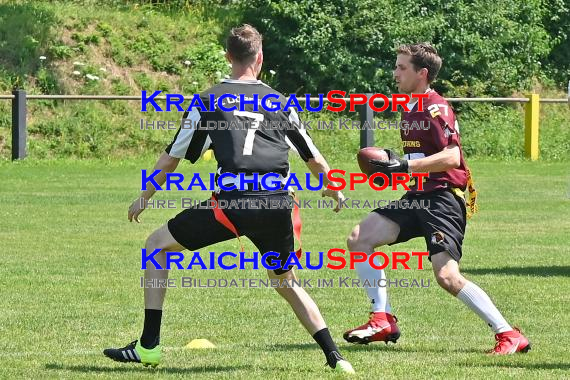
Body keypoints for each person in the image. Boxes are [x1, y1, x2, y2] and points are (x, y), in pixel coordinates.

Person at [103, 24, 354, 373]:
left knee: (156, 246)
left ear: (227, 57)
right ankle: (336, 357)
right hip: (278, 202)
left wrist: (145, 196)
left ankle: (148, 346)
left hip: (234, 204)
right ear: (260, 58)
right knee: (286, 282)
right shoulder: (281, 102)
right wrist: (332, 185)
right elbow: (312, 155)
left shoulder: (208, 100)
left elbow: (171, 158)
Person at [343, 43, 530, 355]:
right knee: (359, 238)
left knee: (446, 276)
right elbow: (423, 156)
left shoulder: (434, 106)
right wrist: (396, 167)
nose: (395, 73)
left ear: (422, 73)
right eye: (396, 66)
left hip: (442, 199)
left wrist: (405, 165)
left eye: (402, 67)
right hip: (418, 195)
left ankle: (509, 334)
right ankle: (382, 319)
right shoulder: (410, 106)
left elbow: (453, 157)